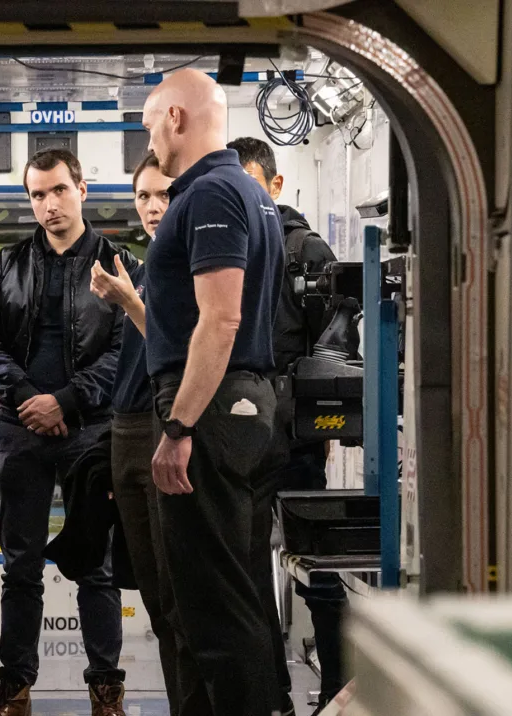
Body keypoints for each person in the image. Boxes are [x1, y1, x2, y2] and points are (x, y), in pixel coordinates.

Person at [141, 69, 286, 716]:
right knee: (243, 593)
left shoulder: (212, 197)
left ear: (176, 116)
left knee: (213, 608)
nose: (149, 138)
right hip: (245, 404)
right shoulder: (250, 194)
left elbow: (221, 319)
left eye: (149, 123)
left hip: (212, 410)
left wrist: (178, 429)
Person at [0, 148, 138, 716]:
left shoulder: (118, 265)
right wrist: (28, 400)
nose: (48, 205)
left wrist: (66, 401)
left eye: (58, 191)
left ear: (82, 190)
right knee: (19, 568)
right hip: (20, 429)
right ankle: (16, 689)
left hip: (90, 431)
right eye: (37, 195)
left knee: (96, 566)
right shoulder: (10, 263)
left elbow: (127, 351)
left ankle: (106, 691)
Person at [229, 136, 347, 716]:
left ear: (275, 186)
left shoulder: (308, 252)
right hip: (243, 439)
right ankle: (267, 692)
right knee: (248, 570)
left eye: (253, 186)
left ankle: (335, 689)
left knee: (319, 570)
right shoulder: (228, 251)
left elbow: (336, 348)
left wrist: (303, 415)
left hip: (298, 442)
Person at [88, 151, 180, 716]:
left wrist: (128, 302)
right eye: (143, 196)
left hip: (160, 429)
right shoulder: (145, 269)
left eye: (163, 195)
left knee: (175, 594)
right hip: (126, 430)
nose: (151, 207)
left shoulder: (183, 269)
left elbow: (175, 347)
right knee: (152, 591)